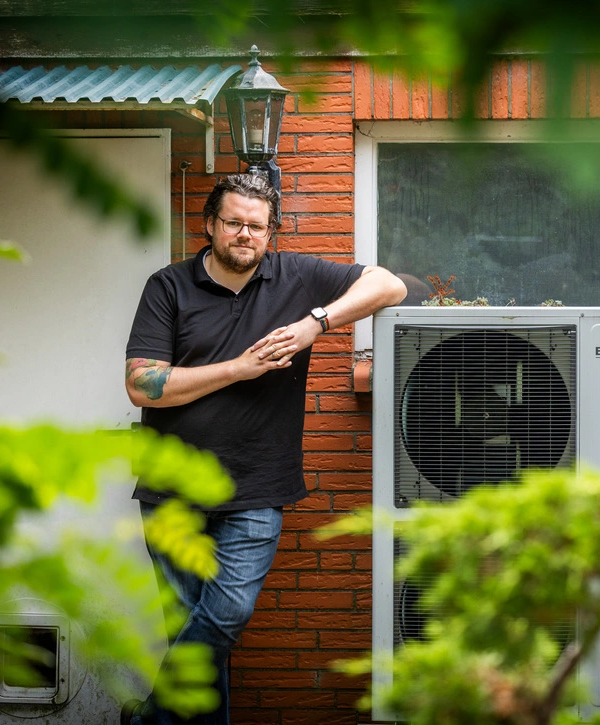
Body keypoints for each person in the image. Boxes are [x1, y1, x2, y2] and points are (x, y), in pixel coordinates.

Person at [121, 172, 406, 725]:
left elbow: (389, 286)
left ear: (271, 231)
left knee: (223, 619)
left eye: (258, 225)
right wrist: (239, 369)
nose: (245, 234)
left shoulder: (295, 276)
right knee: (191, 634)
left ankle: (146, 719)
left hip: (256, 488)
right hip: (171, 491)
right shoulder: (168, 287)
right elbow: (140, 383)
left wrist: (314, 324)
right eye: (234, 223)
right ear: (210, 225)